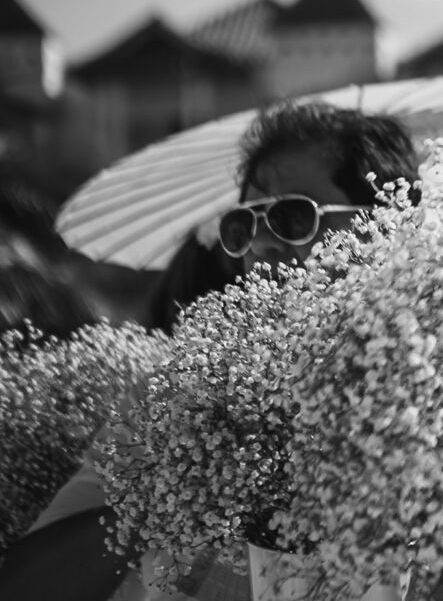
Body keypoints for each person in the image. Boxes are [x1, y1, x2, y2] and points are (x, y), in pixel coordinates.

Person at [0, 101, 419, 601]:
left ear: (388, 227)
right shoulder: (177, 400)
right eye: (244, 225)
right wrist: (171, 481)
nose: (262, 244)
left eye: (292, 216)